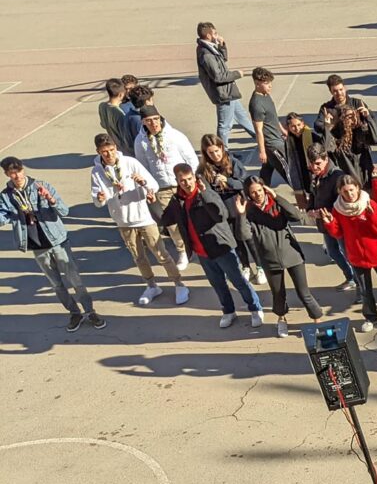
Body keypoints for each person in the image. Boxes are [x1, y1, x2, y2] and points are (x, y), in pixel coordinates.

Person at [159, 164, 264, 329]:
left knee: (238, 280)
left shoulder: (206, 193)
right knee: (218, 284)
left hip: (221, 247)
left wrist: (205, 194)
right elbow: (165, 220)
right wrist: (152, 203)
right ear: (177, 182)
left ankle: (255, 308)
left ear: (194, 177)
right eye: (182, 181)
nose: (187, 183)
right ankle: (229, 311)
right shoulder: (177, 200)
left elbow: (221, 215)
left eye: (189, 179)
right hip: (202, 252)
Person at [0, 157, 99, 331]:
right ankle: (74, 313)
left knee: (74, 279)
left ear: (23, 169)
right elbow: (2, 217)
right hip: (36, 245)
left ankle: (90, 311)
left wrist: (50, 199)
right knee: (56, 284)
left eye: (19, 171)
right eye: (12, 173)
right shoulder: (6, 196)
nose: (17, 176)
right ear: (6, 174)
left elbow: (64, 211)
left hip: (57, 240)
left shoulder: (41, 185)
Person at [89, 134, 187, 307]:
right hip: (123, 220)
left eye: (111, 150)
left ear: (116, 148)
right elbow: (97, 200)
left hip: (142, 217)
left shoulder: (130, 163)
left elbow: (153, 186)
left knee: (160, 253)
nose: (109, 155)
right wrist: (100, 197)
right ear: (98, 152)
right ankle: (151, 286)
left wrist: (144, 183)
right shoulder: (97, 171)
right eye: (105, 152)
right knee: (138, 257)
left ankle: (178, 283)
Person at [320, 173, 377, 336]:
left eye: (352, 190)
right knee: (365, 290)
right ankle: (370, 318)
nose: (350, 194)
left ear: (358, 188)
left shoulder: (369, 204)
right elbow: (338, 233)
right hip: (356, 256)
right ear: (340, 191)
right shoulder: (338, 209)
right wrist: (330, 223)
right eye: (345, 191)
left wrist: (371, 216)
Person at [236, 175, 324, 338]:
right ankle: (281, 319)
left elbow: (297, 216)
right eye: (253, 192)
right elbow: (243, 235)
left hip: (291, 254)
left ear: (265, 189)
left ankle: (317, 320)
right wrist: (241, 215)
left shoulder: (276, 203)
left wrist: (277, 197)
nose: (258, 195)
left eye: (260, 190)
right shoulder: (249, 212)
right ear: (248, 194)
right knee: (278, 293)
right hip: (270, 260)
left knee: (303, 292)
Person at [133, 106, 199, 270]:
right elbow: (143, 166)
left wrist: (193, 180)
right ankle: (182, 251)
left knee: (192, 217)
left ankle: (197, 245)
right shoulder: (140, 141)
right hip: (161, 188)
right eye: (149, 120)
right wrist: (149, 187)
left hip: (182, 184)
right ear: (143, 122)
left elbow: (191, 157)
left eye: (155, 119)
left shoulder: (175, 135)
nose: (153, 123)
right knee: (172, 223)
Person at [197, 134, 260, 285]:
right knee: (236, 240)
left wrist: (229, 181)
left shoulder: (233, 162)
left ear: (222, 148)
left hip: (239, 206)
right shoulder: (203, 170)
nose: (215, 155)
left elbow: (245, 182)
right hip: (222, 210)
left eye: (217, 151)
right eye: (211, 153)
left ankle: (260, 266)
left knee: (248, 237)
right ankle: (245, 266)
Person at [304, 145, 358, 292]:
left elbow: (342, 202)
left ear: (326, 159)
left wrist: (323, 212)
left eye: (318, 164)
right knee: (333, 251)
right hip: (325, 223)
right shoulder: (317, 175)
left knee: (347, 253)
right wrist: (310, 209)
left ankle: (360, 286)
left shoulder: (337, 176)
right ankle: (350, 277)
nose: (314, 167)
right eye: (311, 164)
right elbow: (313, 194)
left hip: (338, 223)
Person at [195, 22, 254, 145]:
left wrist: (222, 45)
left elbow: (223, 59)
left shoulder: (210, 48)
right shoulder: (206, 54)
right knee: (225, 125)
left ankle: (262, 140)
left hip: (228, 91)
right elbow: (218, 76)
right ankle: (223, 151)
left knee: (242, 117)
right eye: (215, 33)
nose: (218, 35)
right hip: (223, 93)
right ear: (209, 35)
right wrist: (237, 74)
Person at [248, 68, 290, 187]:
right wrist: (262, 151)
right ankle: (301, 193)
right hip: (272, 143)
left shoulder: (266, 95)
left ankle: (262, 187)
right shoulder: (256, 104)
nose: (270, 86)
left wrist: (282, 130)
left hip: (277, 137)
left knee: (267, 169)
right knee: (287, 168)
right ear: (257, 83)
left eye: (270, 82)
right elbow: (258, 130)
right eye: (266, 83)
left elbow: (274, 116)